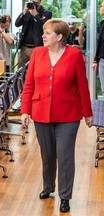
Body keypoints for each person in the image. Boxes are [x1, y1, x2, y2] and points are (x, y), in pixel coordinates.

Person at [20, 19, 93, 213]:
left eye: (48, 33)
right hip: (41, 111)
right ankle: (48, 186)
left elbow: (82, 86)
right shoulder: (37, 53)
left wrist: (88, 113)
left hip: (68, 114)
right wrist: (25, 110)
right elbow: (29, 84)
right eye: (44, 33)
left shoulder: (74, 54)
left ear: (59, 37)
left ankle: (65, 196)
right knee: (48, 154)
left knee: (65, 155)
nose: (43, 36)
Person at [15, 0, 52, 67]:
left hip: (36, 47)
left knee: (36, 68)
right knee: (22, 71)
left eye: (36, 3)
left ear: (40, 2)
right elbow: (17, 24)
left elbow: (45, 26)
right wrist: (24, 12)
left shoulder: (46, 13)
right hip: (24, 47)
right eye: (32, 2)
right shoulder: (27, 13)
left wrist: (35, 15)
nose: (34, 4)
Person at [92, 1, 104, 96]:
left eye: (102, 6)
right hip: (102, 60)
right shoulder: (102, 23)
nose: (100, 8)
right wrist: (96, 60)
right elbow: (99, 43)